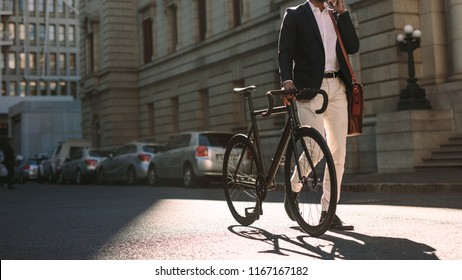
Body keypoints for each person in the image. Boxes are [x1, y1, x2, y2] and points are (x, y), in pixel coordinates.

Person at [278, 0, 359, 230]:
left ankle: (328, 211)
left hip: (337, 87)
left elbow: (352, 46)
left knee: (338, 152)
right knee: (314, 148)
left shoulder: (335, 15)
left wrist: (343, 13)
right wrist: (287, 81)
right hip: (309, 89)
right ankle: (294, 187)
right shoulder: (295, 15)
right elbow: (285, 52)